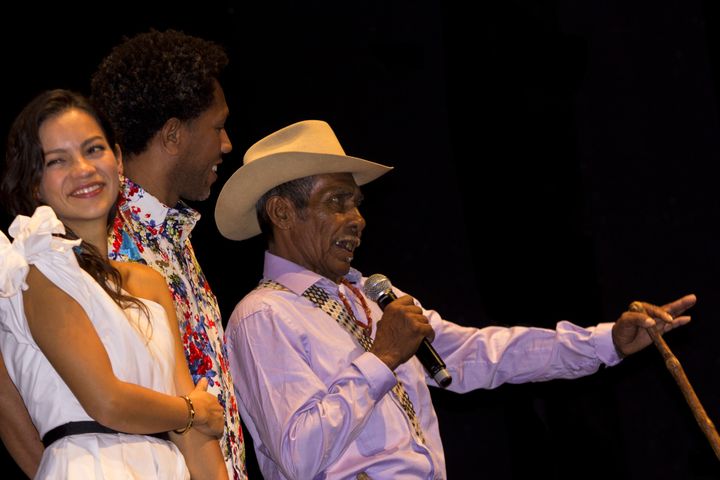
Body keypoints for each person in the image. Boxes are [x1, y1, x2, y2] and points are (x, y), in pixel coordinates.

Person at [214, 119, 697, 480]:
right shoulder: (263, 316)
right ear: (282, 211)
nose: (357, 219)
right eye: (336, 203)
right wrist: (383, 356)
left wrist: (605, 342)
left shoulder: (372, 296)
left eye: (357, 204)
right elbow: (297, 455)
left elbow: (480, 353)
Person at [0, 89, 228, 479]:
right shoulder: (37, 269)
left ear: (118, 159)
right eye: (57, 160)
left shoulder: (149, 282)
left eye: (93, 150)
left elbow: (191, 436)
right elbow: (105, 400)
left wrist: (193, 421)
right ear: (34, 183)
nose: (83, 169)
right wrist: (193, 411)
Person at [90, 29, 247, 479]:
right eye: (217, 127)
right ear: (174, 134)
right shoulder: (105, 242)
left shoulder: (174, 241)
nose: (226, 144)